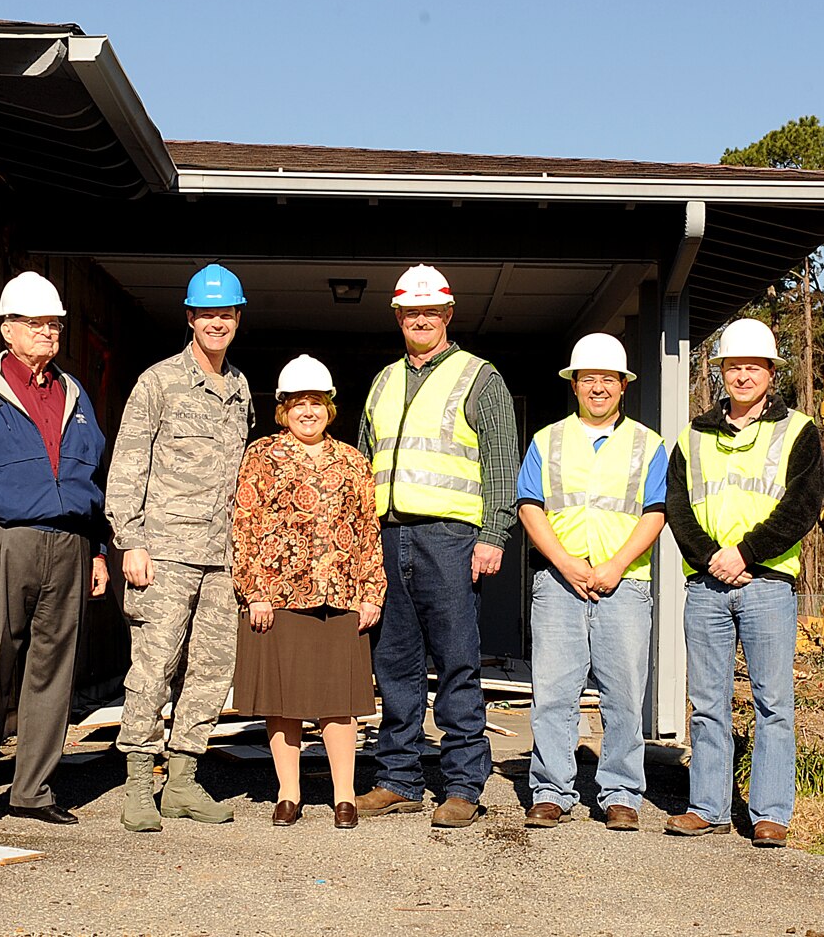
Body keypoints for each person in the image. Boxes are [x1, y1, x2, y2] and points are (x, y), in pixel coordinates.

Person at [353, 264, 519, 828]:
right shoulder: (381, 381)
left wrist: (494, 534)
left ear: (448, 315)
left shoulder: (480, 377)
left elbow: (500, 462)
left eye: (430, 312)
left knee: (455, 662)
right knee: (393, 663)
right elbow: (362, 460)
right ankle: (397, 776)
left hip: (450, 538)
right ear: (398, 317)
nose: (420, 319)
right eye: (409, 312)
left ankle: (463, 784)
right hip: (387, 534)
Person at [0, 271, 111, 829]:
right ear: (8, 328)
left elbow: (93, 470)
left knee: (53, 669)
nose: (49, 332)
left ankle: (34, 790)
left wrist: (98, 549)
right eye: (37, 323)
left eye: (55, 324)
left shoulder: (74, 391)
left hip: (68, 540)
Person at [663, 317, 824, 849]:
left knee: (772, 701)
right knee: (707, 701)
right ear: (722, 373)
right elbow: (678, 508)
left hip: (767, 583)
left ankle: (770, 812)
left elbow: (802, 507)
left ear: (771, 372)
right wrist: (712, 558)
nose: (744, 375)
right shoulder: (692, 436)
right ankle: (707, 807)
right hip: (706, 585)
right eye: (735, 367)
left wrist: (746, 554)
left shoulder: (799, 431)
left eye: (754, 367)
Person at [107, 264, 253, 832]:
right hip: (164, 552)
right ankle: (139, 782)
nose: (216, 323)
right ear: (190, 318)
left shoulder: (239, 386)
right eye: (207, 314)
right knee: (153, 666)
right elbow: (126, 466)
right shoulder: (158, 382)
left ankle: (185, 781)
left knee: (213, 669)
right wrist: (130, 542)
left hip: (222, 556)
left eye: (226, 314)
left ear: (237, 319)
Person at [516, 333, 667, 831]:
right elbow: (529, 507)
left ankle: (621, 792)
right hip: (559, 582)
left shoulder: (649, 444)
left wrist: (616, 565)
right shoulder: (547, 440)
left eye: (608, 379)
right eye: (589, 379)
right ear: (575, 385)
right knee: (553, 692)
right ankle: (552, 789)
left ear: (623, 386)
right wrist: (564, 562)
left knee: (623, 694)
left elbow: (655, 511)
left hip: (622, 583)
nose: (598, 388)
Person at [231, 355, 385, 829]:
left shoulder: (353, 461)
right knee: (284, 703)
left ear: (329, 408)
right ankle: (288, 793)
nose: (307, 412)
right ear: (283, 409)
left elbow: (367, 529)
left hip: (339, 594)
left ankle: (344, 796)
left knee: (338, 703)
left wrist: (371, 593)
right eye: (298, 404)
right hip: (279, 598)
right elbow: (245, 524)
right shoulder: (262, 456)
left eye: (316, 403)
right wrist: (254, 591)